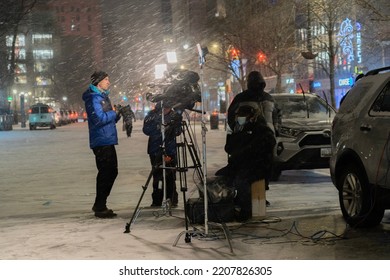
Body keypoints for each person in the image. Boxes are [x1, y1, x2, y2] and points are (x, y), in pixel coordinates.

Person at [227, 70, 277, 197]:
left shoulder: (241, 98)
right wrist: (274, 130)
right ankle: (260, 195)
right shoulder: (269, 98)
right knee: (264, 166)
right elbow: (277, 117)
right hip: (266, 139)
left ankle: (249, 196)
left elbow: (231, 116)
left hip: (249, 138)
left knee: (248, 167)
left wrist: (237, 130)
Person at [224, 105, 276, 221]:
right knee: (224, 178)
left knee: (242, 181)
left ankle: (246, 210)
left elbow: (265, 146)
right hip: (241, 163)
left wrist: (247, 148)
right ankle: (233, 205)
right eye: (239, 116)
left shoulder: (261, 129)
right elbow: (228, 148)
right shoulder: (237, 128)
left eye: (243, 116)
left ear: (252, 117)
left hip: (257, 165)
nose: (240, 118)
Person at [82, 71, 121, 218]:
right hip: (101, 141)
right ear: (98, 82)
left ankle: (100, 204)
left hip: (107, 139)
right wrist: (113, 112)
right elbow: (98, 119)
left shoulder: (103, 97)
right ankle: (100, 205)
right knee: (106, 172)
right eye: (106, 80)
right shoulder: (94, 98)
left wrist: (117, 114)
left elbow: (107, 119)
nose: (108, 82)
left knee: (111, 171)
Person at [143, 102, 183, 207]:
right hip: (155, 149)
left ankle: (171, 199)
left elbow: (179, 131)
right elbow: (146, 130)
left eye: (168, 108)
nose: (166, 110)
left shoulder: (174, 115)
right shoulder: (152, 114)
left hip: (170, 149)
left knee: (170, 175)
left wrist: (172, 128)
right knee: (157, 175)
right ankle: (157, 199)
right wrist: (158, 128)